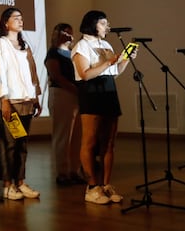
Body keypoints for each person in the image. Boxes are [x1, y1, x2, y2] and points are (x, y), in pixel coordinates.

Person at [71, 10, 133, 205]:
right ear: (92, 24)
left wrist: (125, 60)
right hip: (90, 91)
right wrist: (108, 62)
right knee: (89, 142)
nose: (107, 27)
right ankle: (92, 187)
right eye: (103, 23)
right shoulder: (81, 46)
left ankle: (106, 185)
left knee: (109, 143)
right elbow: (85, 74)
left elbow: (114, 72)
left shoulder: (105, 44)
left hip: (108, 90)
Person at [0, 7, 42, 201]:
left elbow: (32, 73)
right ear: (5, 23)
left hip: (26, 101)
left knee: (22, 144)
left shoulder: (24, 46)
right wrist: (4, 100)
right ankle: (8, 185)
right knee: (9, 145)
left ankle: (20, 181)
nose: (20, 21)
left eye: (21, 17)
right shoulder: (1, 45)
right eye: (15, 18)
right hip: (10, 102)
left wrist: (35, 96)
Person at [45, 23, 84, 186]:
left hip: (77, 96)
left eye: (70, 32)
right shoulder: (53, 52)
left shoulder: (73, 52)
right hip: (62, 94)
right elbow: (56, 75)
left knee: (77, 136)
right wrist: (74, 89)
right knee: (63, 135)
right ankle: (62, 173)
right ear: (57, 34)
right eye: (65, 32)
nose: (68, 35)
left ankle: (74, 171)